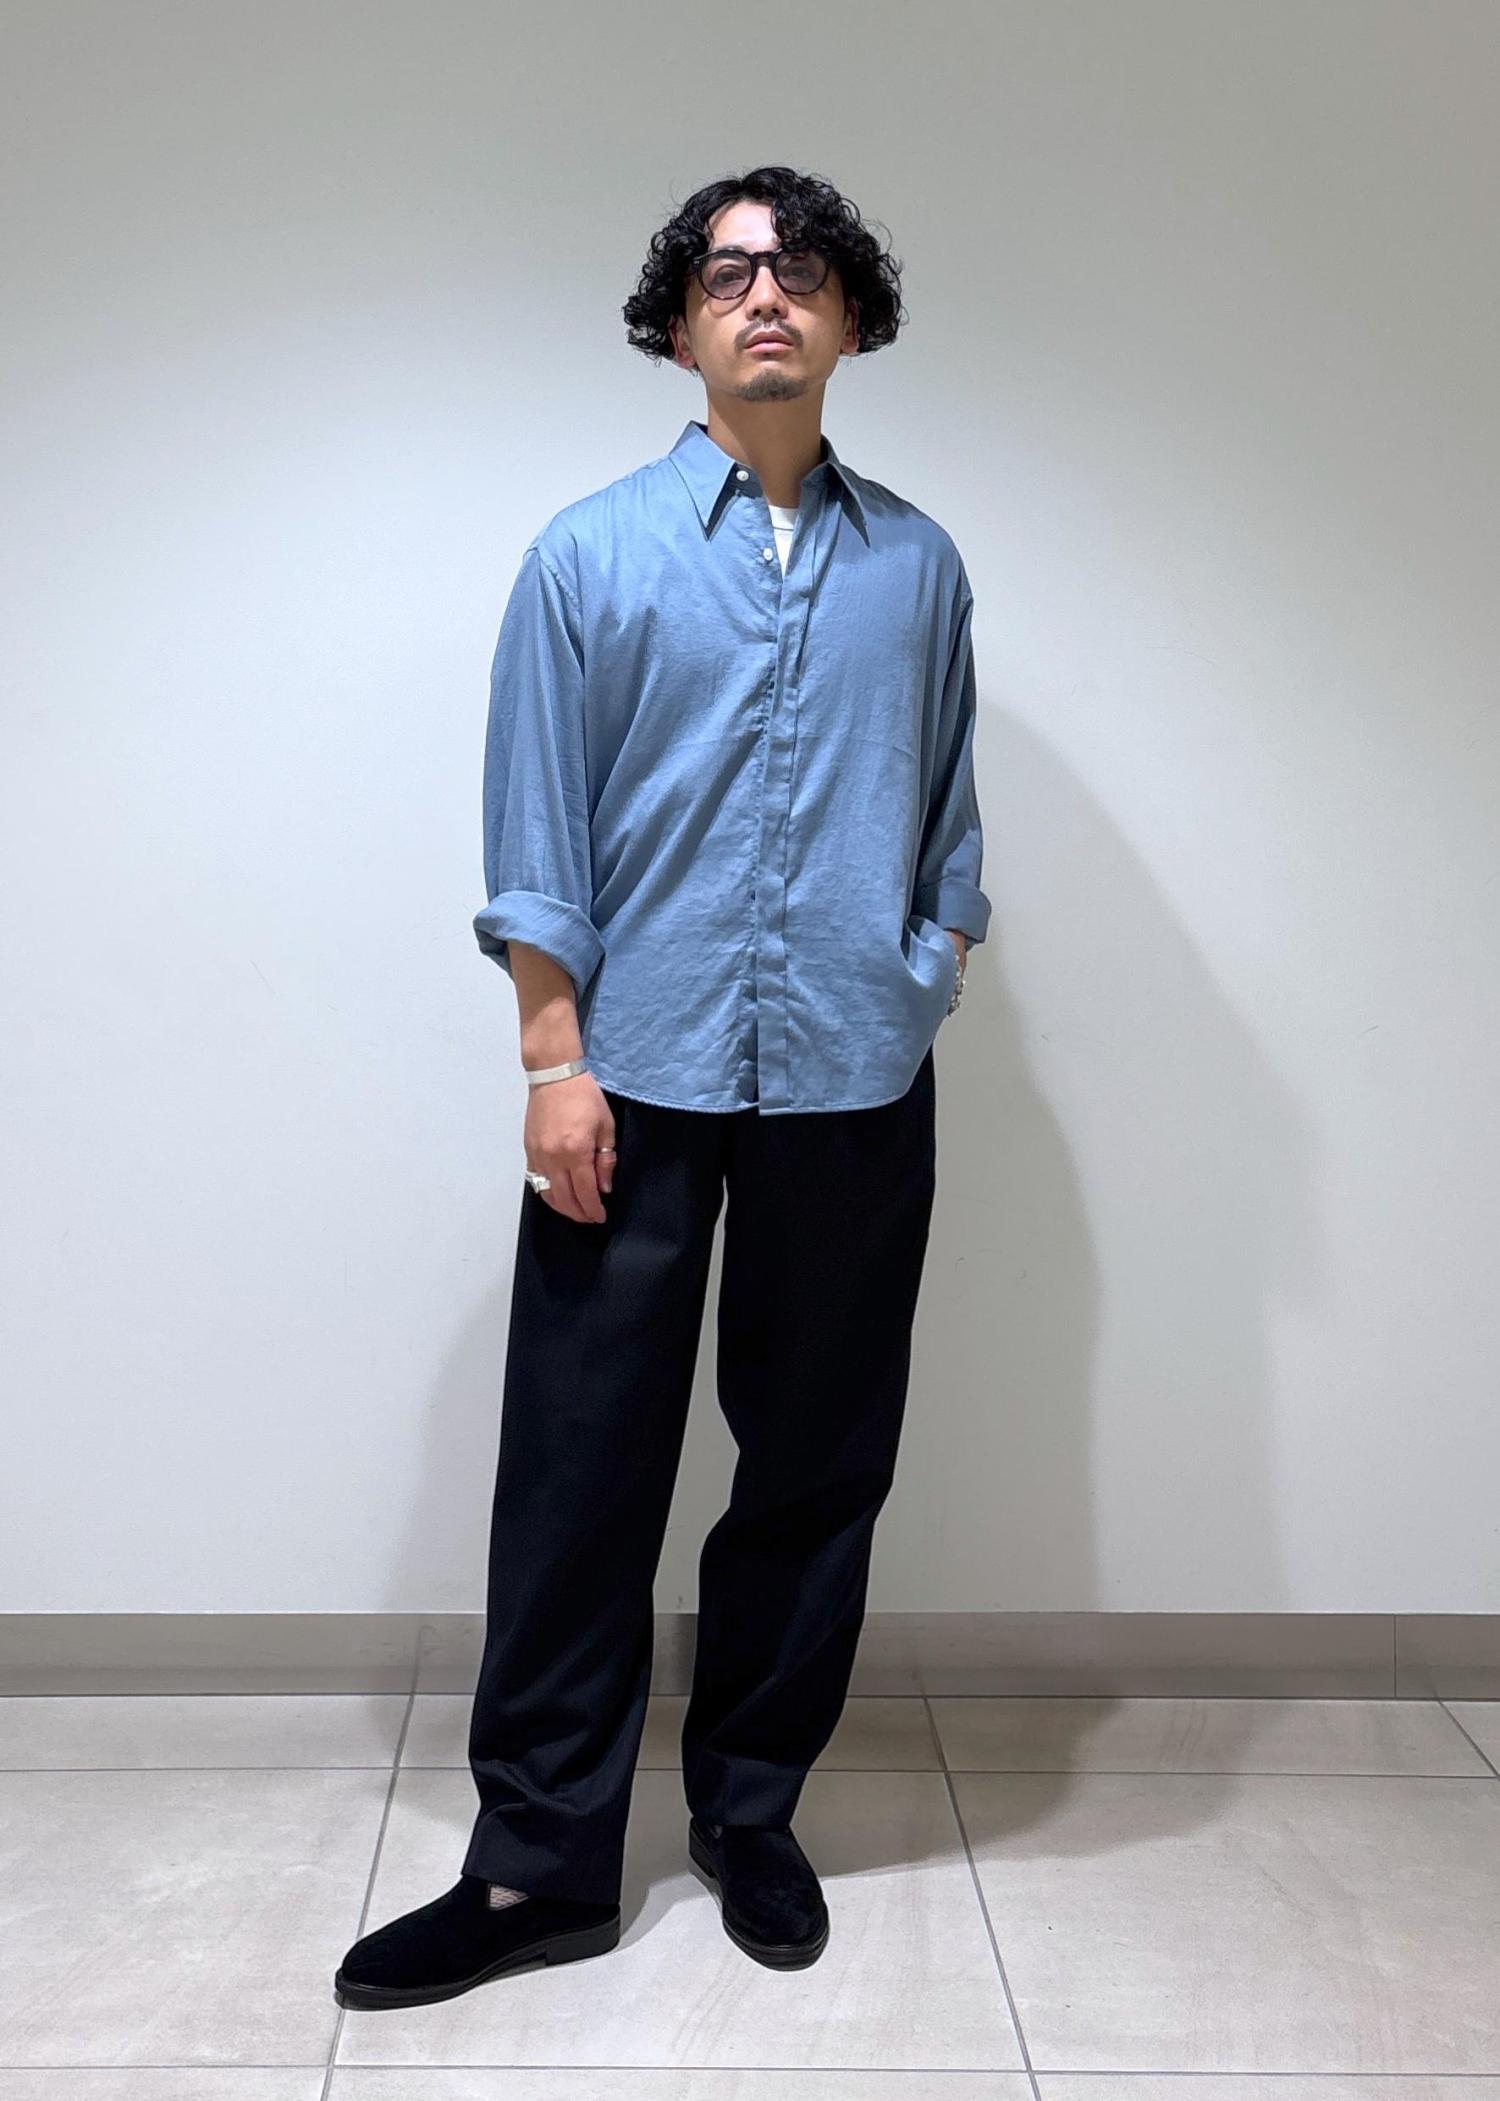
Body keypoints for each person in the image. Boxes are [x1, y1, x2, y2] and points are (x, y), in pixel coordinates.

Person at [334, 162, 990, 2013]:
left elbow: (948, 811)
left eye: (800, 269)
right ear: (680, 325)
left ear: (850, 316)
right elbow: (536, 827)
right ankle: (538, 1860)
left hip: (854, 1086)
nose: (765, 293)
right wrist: (554, 1057)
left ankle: (750, 1809)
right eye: (726, 272)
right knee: (579, 1472)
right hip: (630, 1080)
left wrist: (930, 960)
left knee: (815, 1463)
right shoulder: (587, 556)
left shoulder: (921, 567)